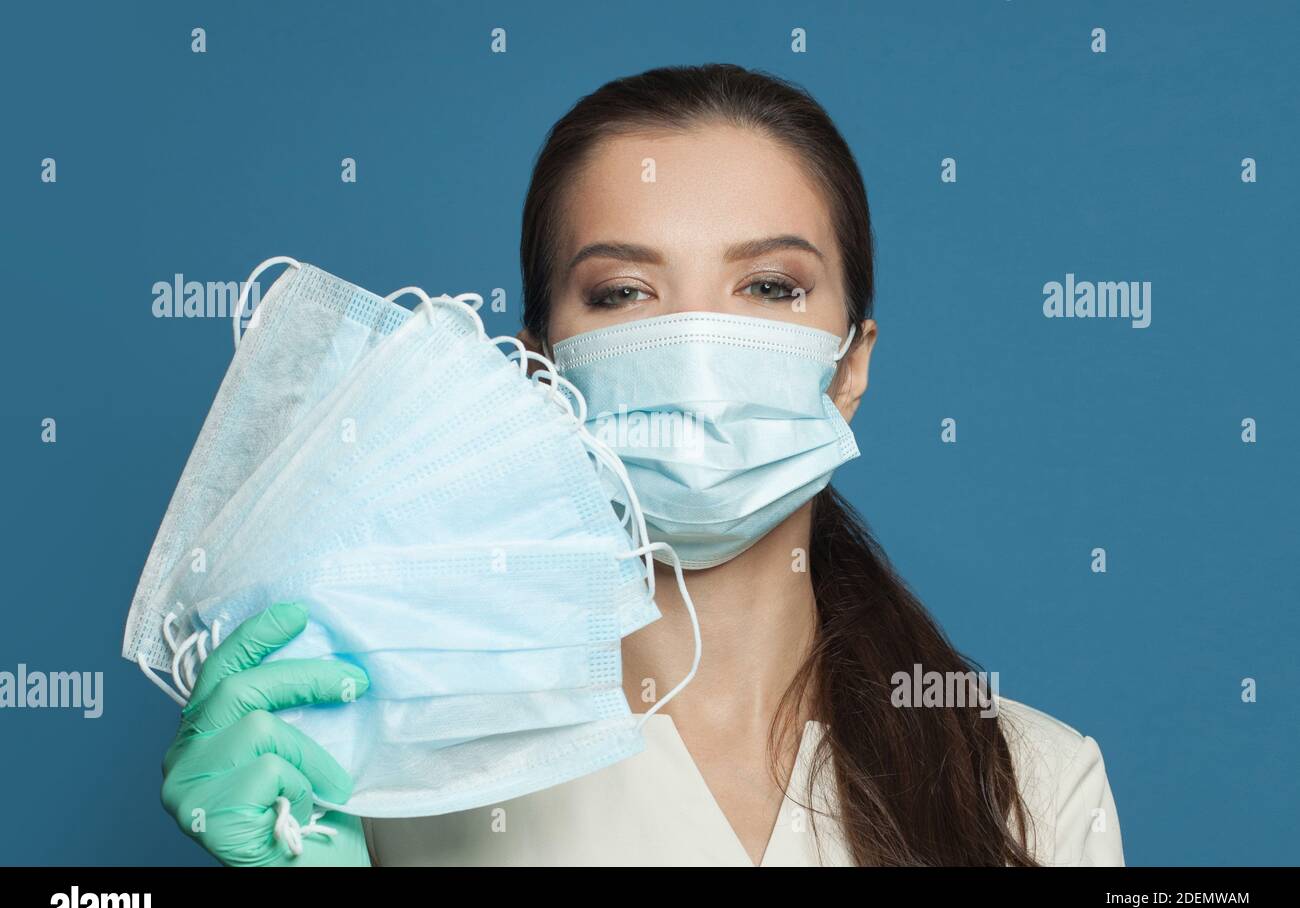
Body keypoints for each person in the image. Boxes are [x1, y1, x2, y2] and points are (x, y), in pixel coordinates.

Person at [161, 64, 1124, 867]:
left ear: (851, 365)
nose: (698, 349)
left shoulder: (1030, 785)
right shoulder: (392, 770)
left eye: (770, 286)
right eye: (624, 292)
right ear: (541, 368)